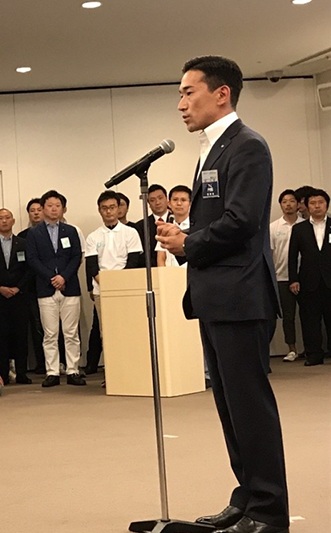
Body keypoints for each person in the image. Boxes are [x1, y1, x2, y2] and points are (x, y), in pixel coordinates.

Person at [158, 55, 288, 533]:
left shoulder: (247, 145)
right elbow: (221, 219)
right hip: (217, 296)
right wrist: (186, 235)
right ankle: (247, 498)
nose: (180, 104)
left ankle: (269, 512)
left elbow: (243, 221)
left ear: (221, 94)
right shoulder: (213, 149)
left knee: (250, 408)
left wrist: (188, 243)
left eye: (188, 92)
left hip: (240, 296)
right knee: (231, 409)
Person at [25, 191, 85, 387]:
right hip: (45, 287)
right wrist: (52, 277)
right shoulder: (34, 233)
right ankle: (52, 372)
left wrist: (63, 277)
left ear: (63, 209)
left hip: (69, 287)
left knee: (71, 332)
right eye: (49, 206)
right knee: (50, 333)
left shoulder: (71, 231)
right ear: (43, 209)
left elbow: (76, 256)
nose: (53, 209)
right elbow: (32, 259)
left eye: (57, 206)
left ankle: (73, 370)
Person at [0, 208, 33, 384]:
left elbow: (29, 269)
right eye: (0, 218)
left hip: (19, 296)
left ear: (13, 221)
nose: (4, 221)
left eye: (7, 218)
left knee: (21, 334)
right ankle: (3, 372)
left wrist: (18, 288)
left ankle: (21, 372)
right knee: (0, 335)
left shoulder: (23, 243)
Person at [85, 191, 143, 329]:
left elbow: (133, 262)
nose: (108, 211)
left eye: (112, 207)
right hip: (101, 290)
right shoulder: (93, 237)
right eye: (104, 208)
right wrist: (107, 284)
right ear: (99, 210)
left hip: (126, 287)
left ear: (118, 208)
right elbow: (92, 266)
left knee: (128, 327)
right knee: (106, 330)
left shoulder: (131, 232)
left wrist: (117, 283)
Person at [288, 188, 331, 367]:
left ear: (327, 205)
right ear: (306, 206)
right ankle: (314, 355)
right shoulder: (299, 229)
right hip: (308, 281)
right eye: (312, 203)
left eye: (320, 202)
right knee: (310, 320)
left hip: (330, 280)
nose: (317, 206)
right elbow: (292, 256)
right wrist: (293, 279)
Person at [270, 189, 301, 362]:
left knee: (309, 315)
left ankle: (311, 348)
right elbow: (270, 254)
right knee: (288, 316)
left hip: (304, 276)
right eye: (284, 201)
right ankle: (292, 349)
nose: (288, 204)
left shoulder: (305, 224)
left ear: (298, 204)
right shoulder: (273, 227)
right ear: (280, 205)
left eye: (292, 201)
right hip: (281, 277)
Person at [18, 198, 45, 374]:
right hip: (30, 287)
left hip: (51, 284)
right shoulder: (22, 236)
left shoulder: (53, 232)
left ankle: (62, 362)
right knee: (36, 326)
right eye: (32, 210)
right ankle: (41, 363)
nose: (35, 213)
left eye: (38, 209)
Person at [156, 185, 192, 267]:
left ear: (190, 203)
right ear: (169, 203)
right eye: (175, 200)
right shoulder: (165, 227)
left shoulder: (196, 227)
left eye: (183, 200)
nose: (179, 203)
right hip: (168, 273)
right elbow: (161, 258)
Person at [134, 183, 169, 266]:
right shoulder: (141, 226)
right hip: (151, 269)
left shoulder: (176, 220)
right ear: (148, 204)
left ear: (167, 199)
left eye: (160, 198)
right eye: (152, 200)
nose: (157, 202)